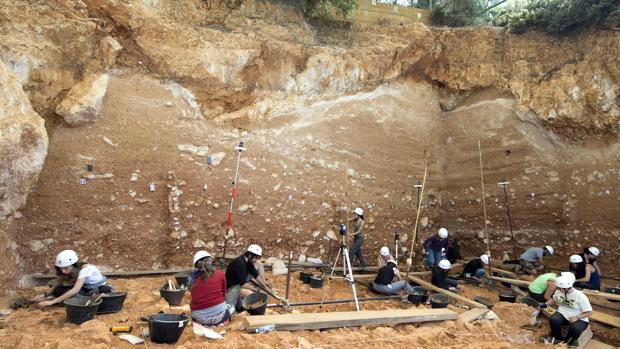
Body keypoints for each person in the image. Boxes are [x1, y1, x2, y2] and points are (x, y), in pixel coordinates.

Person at [36, 250, 113, 308]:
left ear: (74, 265)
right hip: (84, 288)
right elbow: (59, 282)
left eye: (65, 268)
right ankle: (55, 298)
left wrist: (52, 302)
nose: (63, 271)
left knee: (73, 297)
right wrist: (44, 295)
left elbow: (75, 290)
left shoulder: (85, 269)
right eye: (61, 269)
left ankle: (56, 300)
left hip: (97, 289)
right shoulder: (73, 270)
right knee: (59, 289)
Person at [539, 274, 593, 345]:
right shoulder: (559, 291)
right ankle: (557, 338)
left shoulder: (580, 296)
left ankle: (567, 343)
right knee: (554, 320)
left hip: (579, 316)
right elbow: (554, 300)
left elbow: (589, 312)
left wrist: (577, 317)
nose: (556, 289)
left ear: (566, 288)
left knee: (575, 329)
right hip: (564, 313)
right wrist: (544, 304)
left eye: (558, 288)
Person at [189, 251, 229, 326]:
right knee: (228, 309)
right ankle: (222, 323)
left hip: (199, 319)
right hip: (220, 317)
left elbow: (193, 297)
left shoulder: (192, 279)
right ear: (211, 262)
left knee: (191, 303)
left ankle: (198, 322)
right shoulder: (220, 274)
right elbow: (223, 295)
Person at [224, 244, 267, 312]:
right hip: (230, 288)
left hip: (237, 286)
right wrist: (256, 289)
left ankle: (239, 307)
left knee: (240, 308)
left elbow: (256, 275)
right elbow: (244, 284)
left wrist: (264, 286)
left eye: (257, 258)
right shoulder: (240, 263)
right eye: (255, 258)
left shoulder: (248, 262)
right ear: (249, 255)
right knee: (250, 294)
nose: (256, 260)